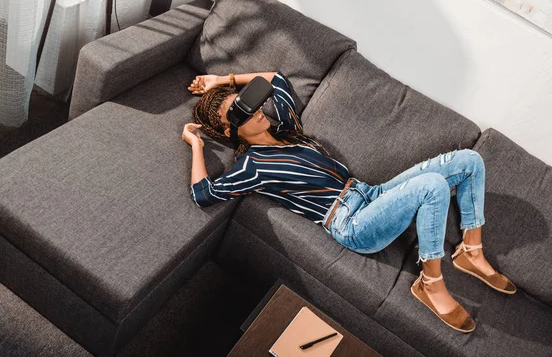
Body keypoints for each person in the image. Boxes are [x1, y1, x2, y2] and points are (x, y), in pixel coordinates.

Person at [181, 71, 516, 333]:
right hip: (349, 224)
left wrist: (222, 80)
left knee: (468, 160)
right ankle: (430, 284)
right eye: (241, 111)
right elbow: (203, 194)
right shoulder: (252, 166)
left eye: (249, 102)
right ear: (230, 131)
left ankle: (471, 252)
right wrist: (196, 145)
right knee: (432, 186)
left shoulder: (285, 129)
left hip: (369, 193)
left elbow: (276, 79)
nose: (254, 111)